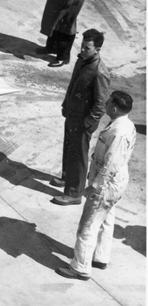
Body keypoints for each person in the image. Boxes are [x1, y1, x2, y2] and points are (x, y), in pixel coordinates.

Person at [56, 90, 136, 279]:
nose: (105, 103)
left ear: (114, 108)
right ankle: (100, 256)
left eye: (108, 102)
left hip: (107, 184)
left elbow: (111, 163)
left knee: (88, 224)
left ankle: (80, 267)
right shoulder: (126, 124)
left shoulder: (118, 132)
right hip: (117, 183)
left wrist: (95, 186)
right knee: (106, 219)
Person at [50, 29, 111, 206]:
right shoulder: (82, 60)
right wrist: (65, 104)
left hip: (83, 119)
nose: (83, 50)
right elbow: (73, 85)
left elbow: (101, 103)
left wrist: (89, 121)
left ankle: (74, 193)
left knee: (78, 154)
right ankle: (67, 177)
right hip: (72, 113)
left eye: (87, 48)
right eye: (82, 46)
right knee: (69, 148)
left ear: (97, 49)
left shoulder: (100, 72)